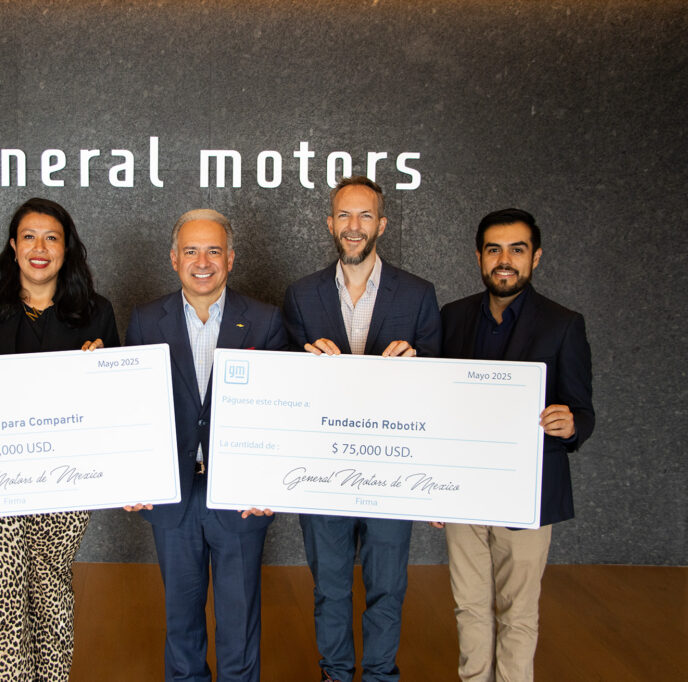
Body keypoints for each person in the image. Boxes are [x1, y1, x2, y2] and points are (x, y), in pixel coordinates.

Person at [0, 198, 119, 682]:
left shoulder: (97, 312)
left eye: (51, 238)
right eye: (29, 237)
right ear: (13, 245)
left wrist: (103, 368)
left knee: (50, 587)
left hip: (64, 478)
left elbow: (118, 400)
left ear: (67, 248)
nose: (39, 248)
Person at [282, 175, 441, 682]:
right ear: (329, 224)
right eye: (344, 216)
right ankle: (334, 673)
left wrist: (417, 365)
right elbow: (280, 385)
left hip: (392, 472)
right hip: (321, 471)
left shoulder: (418, 294)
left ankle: (378, 676)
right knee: (329, 587)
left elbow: (440, 389)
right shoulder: (300, 295)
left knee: (387, 588)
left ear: (382, 225)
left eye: (365, 215)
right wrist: (302, 362)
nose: (354, 226)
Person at [124, 209, 287, 682]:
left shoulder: (265, 320)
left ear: (230, 259)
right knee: (181, 625)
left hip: (239, 496)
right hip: (172, 493)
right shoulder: (145, 319)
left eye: (213, 251)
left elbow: (279, 411)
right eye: (191, 251)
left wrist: (269, 484)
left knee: (239, 627)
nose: (202, 261)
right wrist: (134, 477)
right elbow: (135, 408)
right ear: (174, 258)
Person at [435, 208, 594, 681]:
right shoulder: (453, 317)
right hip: (463, 490)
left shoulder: (563, 324)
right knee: (468, 606)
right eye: (494, 250)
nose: (504, 260)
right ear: (479, 257)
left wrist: (571, 424)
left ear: (535, 257)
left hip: (527, 492)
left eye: (517, 250)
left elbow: (582, 410)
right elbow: (435, 404)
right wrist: (431, 486)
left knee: (518, 612)